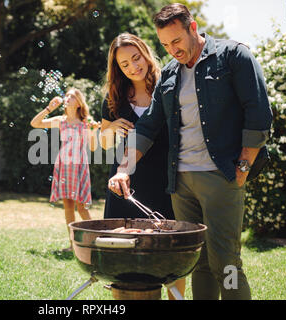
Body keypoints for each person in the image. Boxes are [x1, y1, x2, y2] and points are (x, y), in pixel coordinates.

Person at [108, 3, 272, 300]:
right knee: (197, 261)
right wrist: (123, 169)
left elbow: (258, 113)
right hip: (181, 183)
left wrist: (244, 166)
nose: (172, 49)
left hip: (221, 176)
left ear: (192, 28)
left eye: (176, 41)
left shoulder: (233, 56)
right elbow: (147, 128)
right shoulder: (169, 74)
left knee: (226, 261)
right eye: (165, 44)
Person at [99, 33, 185, 300]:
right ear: (118, 69)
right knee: (123, 252)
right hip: (125, 184)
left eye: (136, 58)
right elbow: (103, 143)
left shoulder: (169, 85)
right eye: (125, 64)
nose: (133, 67)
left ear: (146, 53)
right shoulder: (114, 97)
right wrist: (111, 128)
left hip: (165, 181)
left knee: (171, 253)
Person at [30, 88, 100, 251]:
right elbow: (35, 123)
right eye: (67, 95)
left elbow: (94, 147)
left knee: (81, 206)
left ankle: (94, 240)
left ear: (79, 103)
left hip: (79, 165)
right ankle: (73, 244)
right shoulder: (61, 120)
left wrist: (94, 132)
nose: (67, 98)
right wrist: (49, 108)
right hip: (64, 164)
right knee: (68, 206)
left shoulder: (86, 122)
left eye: (72, 96)